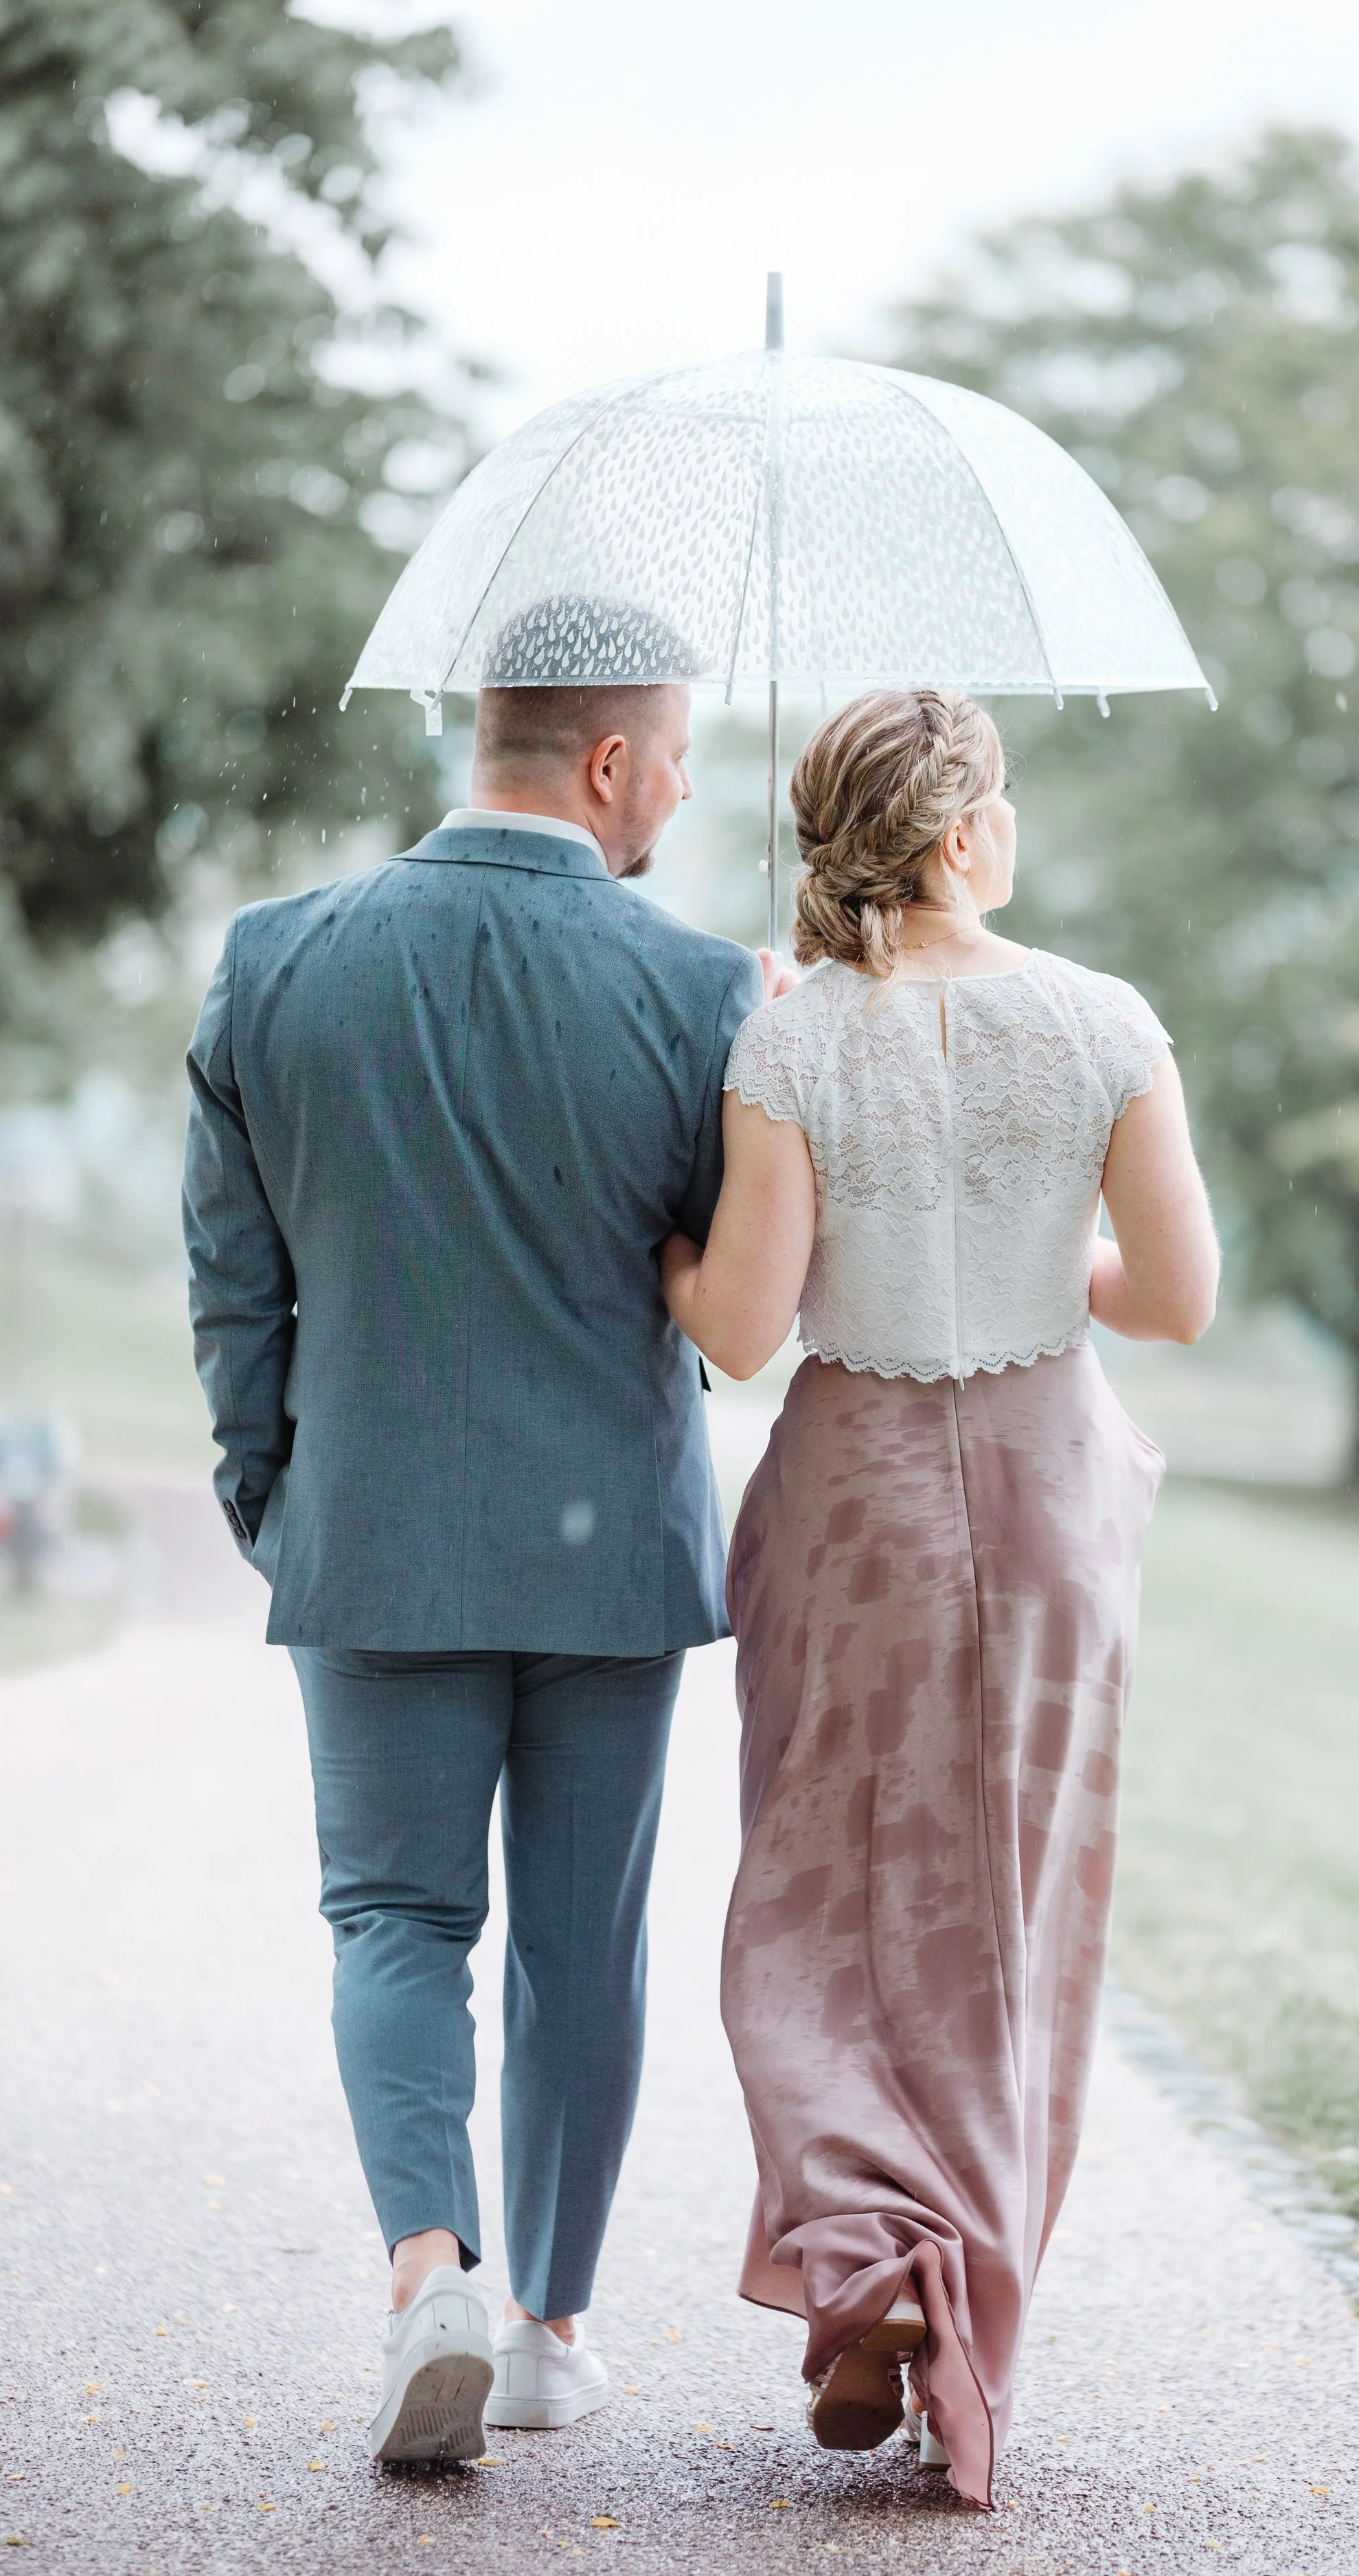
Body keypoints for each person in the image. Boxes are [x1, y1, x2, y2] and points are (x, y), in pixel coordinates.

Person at [181, 597, 768, 2463]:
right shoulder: (698, 990)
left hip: (371, 1530)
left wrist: (277, 1497)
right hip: (611, 1555)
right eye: (673, 754)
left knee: (393, 1914)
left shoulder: (273, 963)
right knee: (579, 1944)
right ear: (607, 762)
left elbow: (232, 1281)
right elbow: (724, 1290)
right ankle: (543, 2328)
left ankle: (426, 2263)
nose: (677, 788)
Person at [661, 687, 1220, 2509]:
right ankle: (953, 2308)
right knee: (1010, 1908)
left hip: (851, 1502)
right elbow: (1174, 1297)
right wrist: (1044, 1222)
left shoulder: (792, 1040)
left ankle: (857, 2270)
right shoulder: (1102, 1022)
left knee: (821, 1892)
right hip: (1050, 1498)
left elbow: (743, 1330)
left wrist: (665, 1250)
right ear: (967, 827)